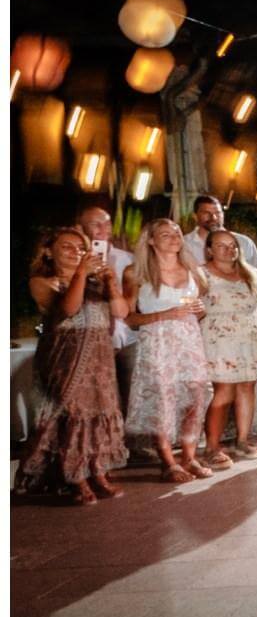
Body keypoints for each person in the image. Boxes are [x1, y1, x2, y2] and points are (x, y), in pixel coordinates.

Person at [17, 228, 129, 504]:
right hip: (65, 357)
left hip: (100, 357)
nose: (75, 252)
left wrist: (110, 282)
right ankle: (75, 477)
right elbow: (68, 309)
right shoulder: (43, 282)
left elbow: (121, 312)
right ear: (48, 252)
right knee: (73, 413)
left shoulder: (96, 282)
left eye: (80, 248)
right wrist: (80, 273)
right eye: (67, 247)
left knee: (100, 411)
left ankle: (97, 472)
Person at [123, 218, 213, 483]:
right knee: (162, 400)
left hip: (189, 342)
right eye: (166, 234)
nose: (175, 238)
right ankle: (168, 461)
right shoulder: (136, 273)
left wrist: (200, 310)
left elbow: (197, 311)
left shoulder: (194, 270)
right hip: (157, 342)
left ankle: (189, 456)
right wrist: (165, 314)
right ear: (151, 241)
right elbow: (129, 318)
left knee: (196, 397)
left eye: (177, 233)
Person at [200, 229, 257, 466]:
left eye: (233, 245)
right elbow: (192, 304)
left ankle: (242, 440)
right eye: (221, 245)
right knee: (224, 390)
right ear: (210, 249)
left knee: (247, 387)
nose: (229, 250)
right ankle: (212, 447)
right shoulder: (201, 274)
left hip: (250, 336)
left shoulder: (251, 273)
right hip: (220, 339)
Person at [77, 207, 137, 400]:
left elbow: (131, 304)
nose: (103, 229)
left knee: (130, 397)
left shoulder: (128, 259)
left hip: (126, 338)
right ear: (81, 228)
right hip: (90, 340)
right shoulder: (75, 261)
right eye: (95, 224)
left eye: (107, 224)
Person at [184, 194, 257, 272]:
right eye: (207, 213)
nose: (214, 217)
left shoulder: (243, 242)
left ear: (223, 214)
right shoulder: (184, 244)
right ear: (195, 216)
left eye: (217, 213)